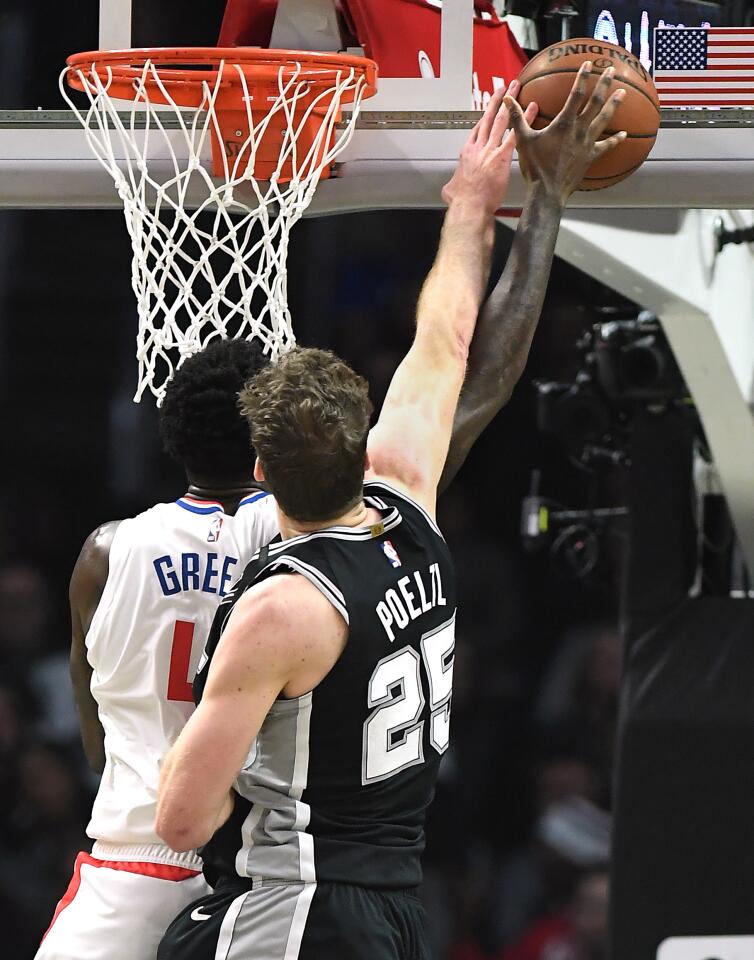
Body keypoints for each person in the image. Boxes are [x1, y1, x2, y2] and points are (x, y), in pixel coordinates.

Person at [155, 65, 626, 960]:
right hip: (395, 903)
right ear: (360, 440)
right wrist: (492, 201)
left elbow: (183, 820)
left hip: (295, 909)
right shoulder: (407, 502)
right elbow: (454, 345)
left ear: (260, 470)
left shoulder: (282, 607)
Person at [35, 339, 280, 960]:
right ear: (269, 444)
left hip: (133, 861)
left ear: (173, 436)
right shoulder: (303, 544)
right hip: (260, 874)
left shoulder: (105, 553)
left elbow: (96, 749)